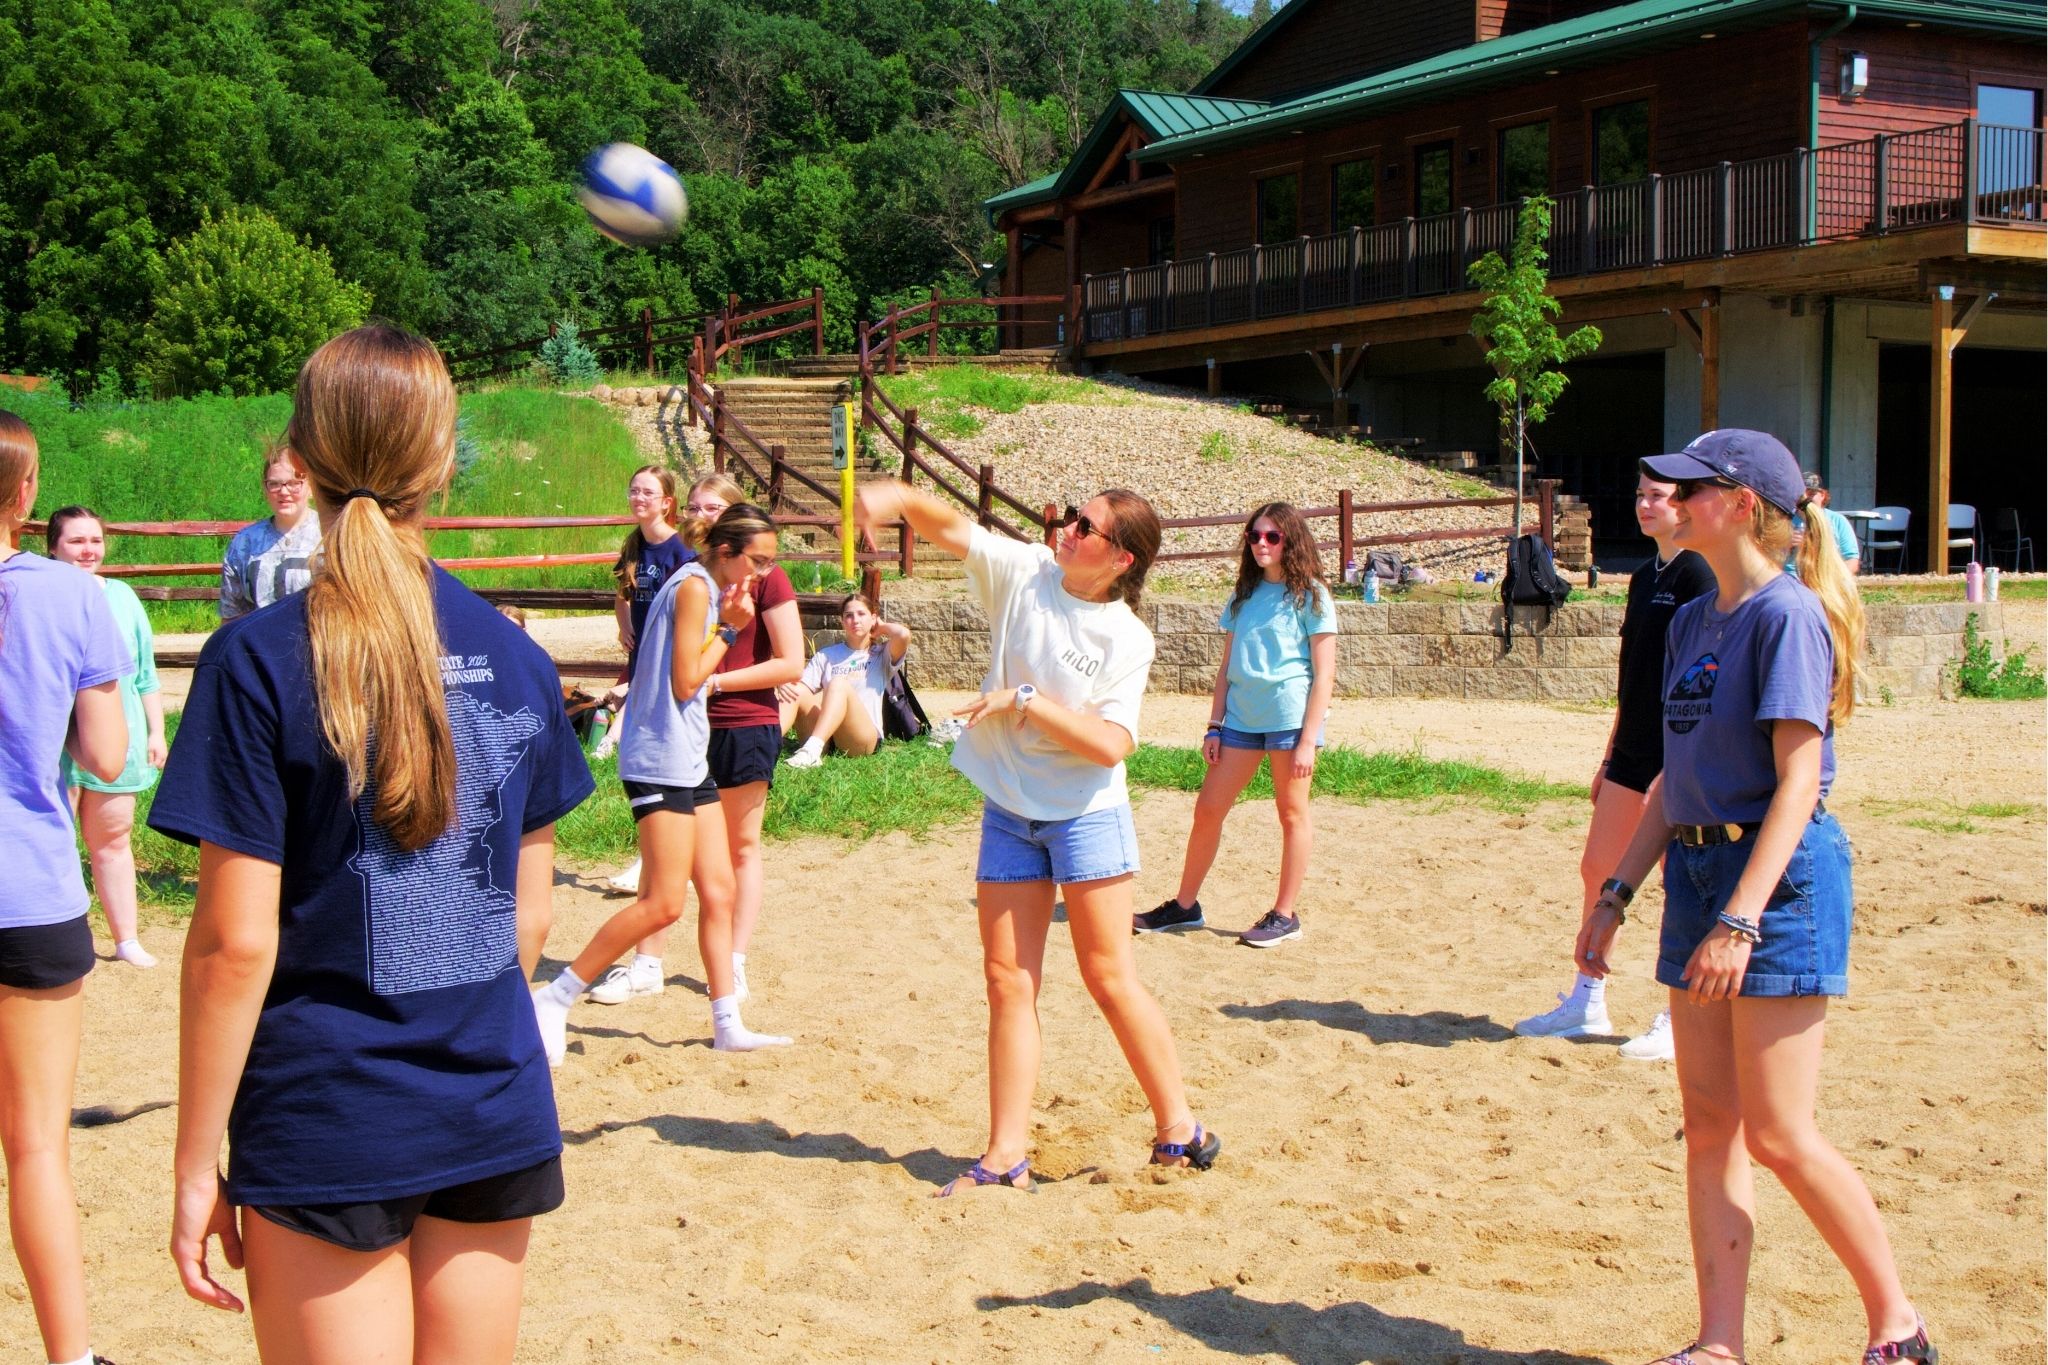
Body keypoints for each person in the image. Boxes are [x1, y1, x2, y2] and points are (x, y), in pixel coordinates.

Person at [154, 325, 593, 1363]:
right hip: (488, 1098)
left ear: (298, 457)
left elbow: (233, 946)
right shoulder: (514, 656)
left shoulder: (256, 661)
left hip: (329, 1112)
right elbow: (528, 917)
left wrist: (190, 1164)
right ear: (440, 463)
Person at [1576, 430, 1932, 1365]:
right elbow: (1672, 782)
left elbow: (1800, 782)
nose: (1671, 496)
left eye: (1692, 487)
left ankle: (1898, 1323)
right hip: (1696, 874)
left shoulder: (1786, 616)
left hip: (1772, 883)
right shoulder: (1696, 617)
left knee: (1778, 1132)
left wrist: (1742, 918)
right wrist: (1615, 892)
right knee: (1710, 1125)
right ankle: (1719, 1344)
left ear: (1739, 505)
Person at [855, 481, 1220, 1194]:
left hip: (1086, 813)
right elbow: (952, 526)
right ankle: (1005, 1155)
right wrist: (890, 497)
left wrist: (1025, 701)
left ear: (1120, 558)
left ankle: (1179, 1125)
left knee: (1109, 976)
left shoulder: (1127, 637)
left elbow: (1113, 744)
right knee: (1006, 981)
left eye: (1086, 526)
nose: (1067, 529)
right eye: (1072, 515)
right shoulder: (1026, 572)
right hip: (1009, 809)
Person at [531, 504, 794, 1056]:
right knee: (664, 903)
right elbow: (686, 681)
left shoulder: (699, 580)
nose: (764, 573)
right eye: (759, 561)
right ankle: (554, 999)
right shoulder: (697, 587)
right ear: (727, 551)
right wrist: (733, 627)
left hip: (686, 755)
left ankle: (727, 1024)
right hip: (659, 757)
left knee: (719, 891)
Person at [0, 412, 132, 1365]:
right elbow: (105, 753)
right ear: (25, 493)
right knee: (36, 1144)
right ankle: (70, 1359)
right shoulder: (70, 596)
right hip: (26, 887)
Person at [1514, 473, 1715, 1058]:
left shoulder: (1701, 575)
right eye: (1640, 495)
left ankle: (1684, 1015)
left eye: (1658, 496)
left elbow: (1701, 679)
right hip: (1631, 751)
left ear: (1686, 506)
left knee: (1685, 882)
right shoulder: (1647, 576)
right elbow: (1632, 680)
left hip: (1675, 756)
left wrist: (1676, 762)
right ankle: (1588, 1000)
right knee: (1599, 870)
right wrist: (1609, 755)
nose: (1645, 505)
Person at [1135, 502, 1334, 947]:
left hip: (1288, 720)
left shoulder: (1312, 596)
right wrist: (1214, 725)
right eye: (1255, 536)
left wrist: (1307, 739)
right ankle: (1185, 906)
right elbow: (1226, 668)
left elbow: (1324, 675)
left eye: (1272, 537)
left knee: (1291, 814)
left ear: (1291, 541)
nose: (1261, 544)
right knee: (1207, 808)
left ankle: (1285, 914)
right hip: (1241, 721)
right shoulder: (1242, 595)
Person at [48, 506, 168, 969]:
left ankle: (126, 938)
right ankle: (66, 939)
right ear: (53, 547)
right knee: (55, 840)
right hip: (56, 741)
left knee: (113, 840)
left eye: (94, 540)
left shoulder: (122, 596)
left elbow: (144, 672)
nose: (87, 550)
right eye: (76, 541)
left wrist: (156, 731)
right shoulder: (42, 594)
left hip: (120, 737)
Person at [703, 500, 804, 1007]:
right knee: (677, 855)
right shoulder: (690, 579)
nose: (768, 567)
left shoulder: (771, 581)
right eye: (760, 558)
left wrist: (713, 683)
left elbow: (791, 662)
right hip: (689, 728)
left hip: (745, 724)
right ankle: (648, 962)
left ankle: (734, 961)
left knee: (740, 847)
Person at [777, 592, 911, 768]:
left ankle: (811, 750)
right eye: (849, 615)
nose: (855, 620)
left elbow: (903, 635)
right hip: (827, 738)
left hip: (861, 739)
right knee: (796, 689)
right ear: (842, 621)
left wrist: (882, 627)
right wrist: (784, 683)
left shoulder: (881, 655)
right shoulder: (827, 655)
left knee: (838, 683)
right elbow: (801, 693)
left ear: (873, 618)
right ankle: (764, 743)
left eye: (861, 614)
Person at [218, 444, 322, 621]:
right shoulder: (245, 543)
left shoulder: (330, 535)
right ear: (265, 489)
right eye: (274, 484)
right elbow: (231, 617)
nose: (283, 491)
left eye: (294, 483)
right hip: (258, 646)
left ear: (311, 486)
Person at [1789, 471, 1860, 577]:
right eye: (1802, 494)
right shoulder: (1783, 520)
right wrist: (1784, 544)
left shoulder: (1838, 521)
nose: (1806, 498)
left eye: (1811, 494)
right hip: (1789, 581)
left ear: (1822, 495)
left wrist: (1833, 581)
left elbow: (1852, 561)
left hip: (1826, 579)